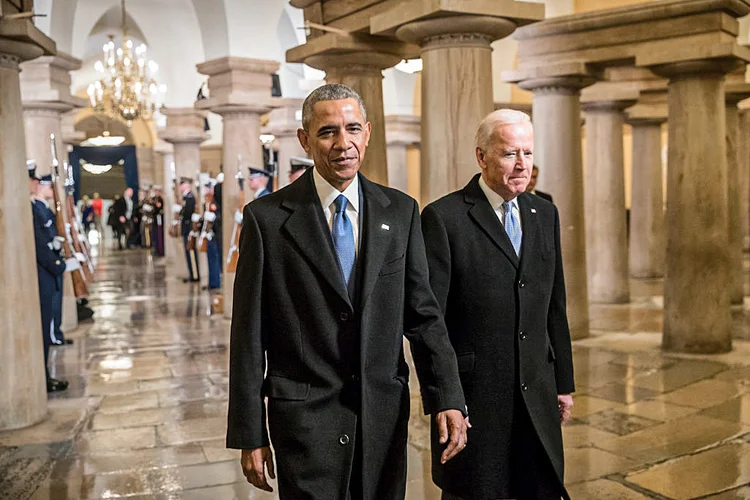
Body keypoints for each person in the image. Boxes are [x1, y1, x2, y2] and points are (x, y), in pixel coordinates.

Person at [228, 83, 468, 500]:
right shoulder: (266, 220)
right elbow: (248, 335)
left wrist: (447, 395)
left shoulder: (401, 211)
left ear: (368, 133)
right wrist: (250, 431)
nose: (344, 143)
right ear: (305, 139)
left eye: (353, 129)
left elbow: (424, 315)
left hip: (382, 419)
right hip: (304, 424)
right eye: (328, 132)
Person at [421, 109, 575, 500]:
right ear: (482, 157)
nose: (522, 164)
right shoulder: (444, 218)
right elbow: (429, 321)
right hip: (476, 397)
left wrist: (563, 384)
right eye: (510, 154)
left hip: (536, 390)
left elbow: (554, 304)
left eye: (528, 152)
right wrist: (446, 398)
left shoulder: (545, 214)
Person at [31, 170, 73, 393]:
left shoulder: (40, 208)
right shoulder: (34, 208)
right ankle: (44, 376)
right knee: (45, 323)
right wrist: (57, 264)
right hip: (45, 270)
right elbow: (40, 244)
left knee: (51, 314)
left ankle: (46, 374)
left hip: (49, 269)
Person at [180, 177, 200, 283]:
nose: (180, 187)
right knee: (188, 253)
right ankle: (192, 274)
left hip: (188, 228)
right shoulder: (186, 197)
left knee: (191, 252)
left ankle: (195, 275)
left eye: (182, 184)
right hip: (186, 228)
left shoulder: (189, 197)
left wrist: (180, 211)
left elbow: (187, 213)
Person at [151, 185, 166, 257]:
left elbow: (158, 208)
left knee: (159, 235)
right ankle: (156, 249)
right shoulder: (153, 199)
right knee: (155, 235)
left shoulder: (160, 199)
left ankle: (160, 250)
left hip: (159, 219)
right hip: (154, 219)